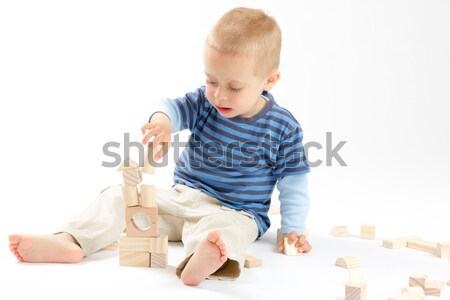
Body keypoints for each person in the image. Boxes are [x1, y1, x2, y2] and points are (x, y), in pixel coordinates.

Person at [8, 7, 312, 286]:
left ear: (269, 80)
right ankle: (71, 240)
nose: (218, 95)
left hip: (237, 212)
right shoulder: (205, 104)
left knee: (224, 233)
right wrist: (163, 123)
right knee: (119, 197)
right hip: (182, 198)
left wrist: (292, 230)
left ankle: (203, 258)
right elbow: (169, 107)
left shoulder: (282, 126)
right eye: (211, 80)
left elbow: (294, 182)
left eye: (233, 87)